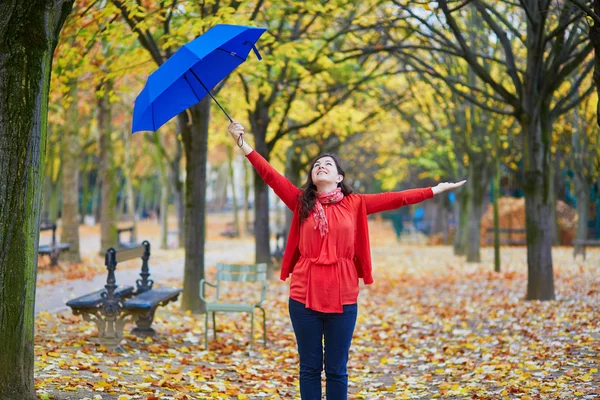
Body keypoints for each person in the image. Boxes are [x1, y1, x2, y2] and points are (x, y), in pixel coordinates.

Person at [228, 121, 466, 400]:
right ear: (312, 176)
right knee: (309, 367)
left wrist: (434, 190)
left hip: (343, 295)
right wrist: (242, 144)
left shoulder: (356, 203)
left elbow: (396, 199)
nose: (320, 166)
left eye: (327, 164)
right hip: (304, 294)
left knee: (337, 369)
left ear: (339, 177)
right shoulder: (300, 201)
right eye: (316, 165)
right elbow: (270, 175)